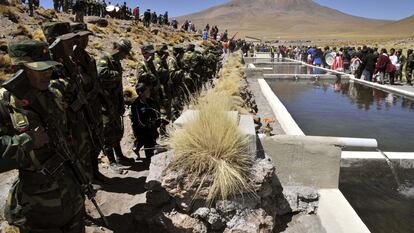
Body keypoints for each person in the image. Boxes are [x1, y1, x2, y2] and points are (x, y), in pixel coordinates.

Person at [1, 39, 85, 233]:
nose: (48, 72)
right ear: (18, 68)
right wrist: (28, 141)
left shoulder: (52, 93)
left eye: (49, 67)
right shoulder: (5, 103)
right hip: (39, 211)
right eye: (41, 69)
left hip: (71, 199)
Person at [97, 38, 133, 173]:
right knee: (107, 134)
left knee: (117, 132)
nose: (125, 56)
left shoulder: (116, 62)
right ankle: (111, 162)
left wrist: (121, 103)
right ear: (118, 49)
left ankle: (120, 157)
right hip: (105, 105)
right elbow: (100, 73)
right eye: (125, 53)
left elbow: (119, 85)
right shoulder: (104, 59)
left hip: (115, 103)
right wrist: (116, 74)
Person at [130, 83, 160, 167]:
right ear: (140, 93)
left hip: (150, 126)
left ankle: (140, 149)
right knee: (146, 140)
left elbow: (155, 112)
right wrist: (147, 125)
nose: (149, 92)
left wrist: (156, 121)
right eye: (147, 91)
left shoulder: (150, 101)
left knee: (151, 139)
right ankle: (149, 160)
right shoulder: (136, 105)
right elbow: (138, 120)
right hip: (140, 128)